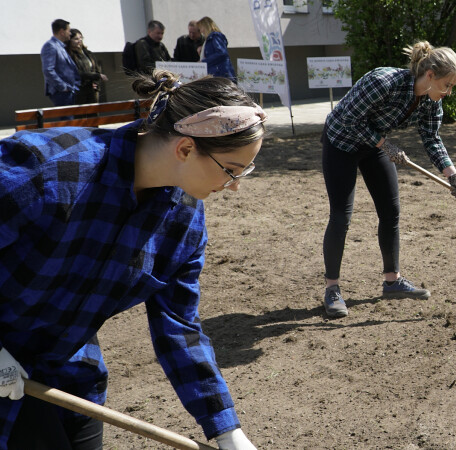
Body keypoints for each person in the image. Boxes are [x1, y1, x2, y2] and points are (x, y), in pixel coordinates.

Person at [0, 70, 265, 450]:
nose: (235, 186)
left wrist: (226, 429)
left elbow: (179, 327)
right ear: (186, 148)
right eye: (232, 171)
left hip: (71, 370)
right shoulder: (46, 169)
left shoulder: (185, 222)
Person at [320, 40, 456, 318]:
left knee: (390, 211)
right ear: (430, 75)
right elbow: (350, 120)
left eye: (453, 87)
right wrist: (386, 146)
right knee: (341, 216)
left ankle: (392, 281)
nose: (449, 92)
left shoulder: (429, 103)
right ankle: (332, 289)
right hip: (340, 142)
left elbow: (432, 139)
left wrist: (453, 176)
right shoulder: (384, 81)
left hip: (373, 146)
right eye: (448, 85)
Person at [40, 18, 80, 106]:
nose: (70, 33)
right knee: (67, 119)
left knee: (70, 119)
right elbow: (48, 70)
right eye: (68, 30)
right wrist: (63, 87)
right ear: (62, 31)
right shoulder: (51, 46)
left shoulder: (60, 46)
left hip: (68, 92)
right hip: (62, 93)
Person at [67, 28, 108, 105]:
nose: (80, 40)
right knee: (80, 115)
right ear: (70, 41)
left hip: (92, 91)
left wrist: (96, 83)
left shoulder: (88, 53)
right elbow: (78, 73)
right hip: (79, 92)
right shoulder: (69, 55)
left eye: (81, 38)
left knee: (93, 114)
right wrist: (96, 76)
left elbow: (97, 69)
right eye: (76, 39)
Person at [197, 17, 235, 81]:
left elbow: (222, 53)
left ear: (205, 26)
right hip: (217, 73)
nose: (200, 31)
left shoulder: (215, 36)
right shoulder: (210, 38)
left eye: (200, 28)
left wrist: (204, 61)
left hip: (220, 73)